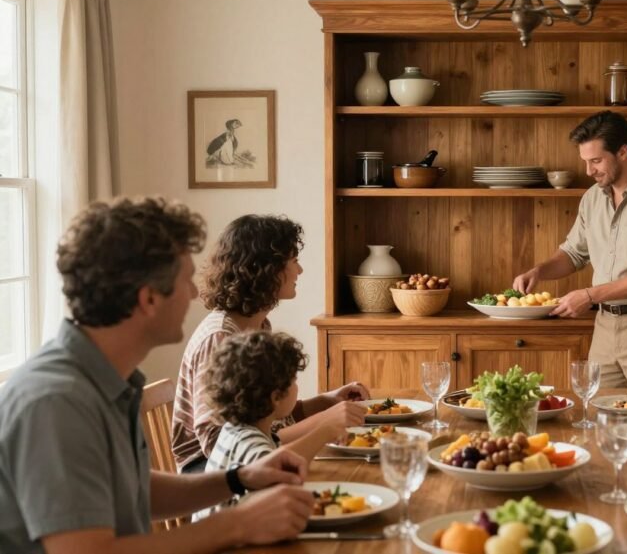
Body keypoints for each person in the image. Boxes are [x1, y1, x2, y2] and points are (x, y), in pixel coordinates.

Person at [0, 197, 315, 554]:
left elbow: (135, 490)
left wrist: (238, 479)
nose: (196, 292)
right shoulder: (57, 401)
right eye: (185, 280)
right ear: (149, 299)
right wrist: (238, 523)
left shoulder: (103, 380)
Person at [172, 214, 367, 473]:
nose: (300, 271)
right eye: (294, 261)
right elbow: (221, 443)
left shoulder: (258, 324)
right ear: (266, 268)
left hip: (251, 455)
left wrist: (326, 401)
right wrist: (322, 424)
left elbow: (261, 413)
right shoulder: (219, 337)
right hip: (211, 472)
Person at [512, 110, 627, 387]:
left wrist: (588, 295)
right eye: (585, 161)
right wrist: (539, 271)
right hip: (605, 326)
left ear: (622, 151)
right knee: (596, 413)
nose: (588, 171)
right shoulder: (592, 198)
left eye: (596, 161)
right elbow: (573, 253)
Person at [196, 331, 347, 520]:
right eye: (294, 381)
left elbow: (284, 457)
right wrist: (325, 430)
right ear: (276, 397)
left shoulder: (235, 429)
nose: (297, 387)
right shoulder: (250, 442)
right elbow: (278, 478)